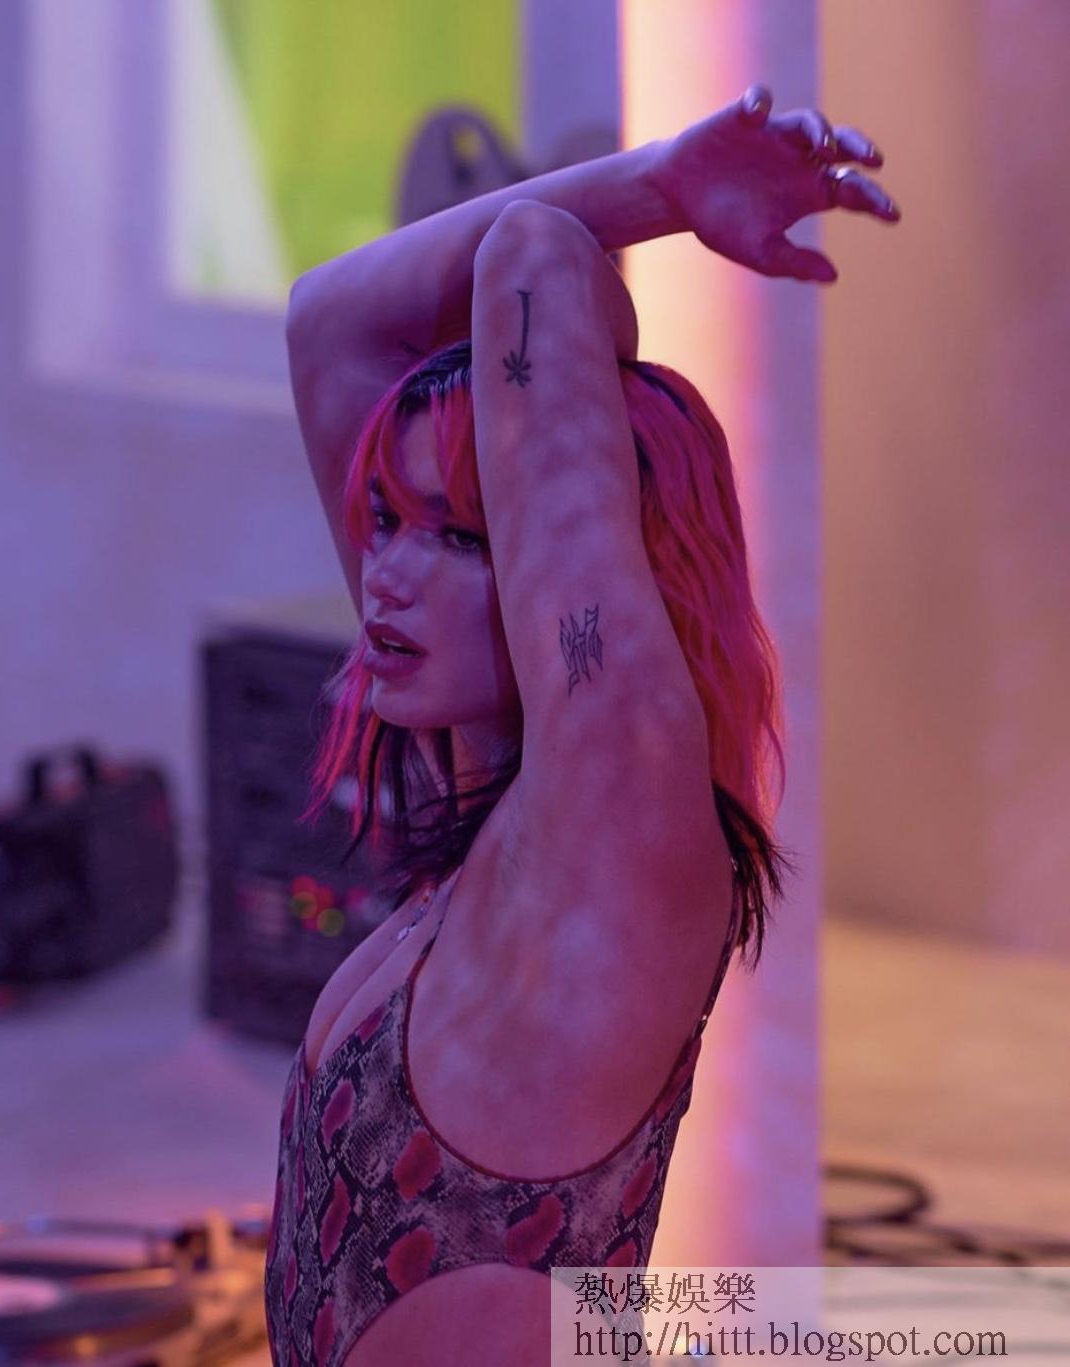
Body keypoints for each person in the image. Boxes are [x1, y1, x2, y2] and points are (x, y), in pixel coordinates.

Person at [263, 83, 898, 1365]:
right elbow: (332, 321)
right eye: (387, 518)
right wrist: (660, 185)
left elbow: (534, 260)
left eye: (463, 535)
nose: (386, 573)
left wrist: (653, 202)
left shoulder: (620, 820)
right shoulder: (478, 792)